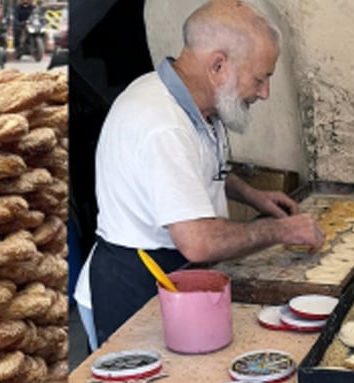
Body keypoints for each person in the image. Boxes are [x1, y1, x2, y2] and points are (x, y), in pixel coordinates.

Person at [74, 0, 324, 348]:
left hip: (173, 271)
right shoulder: (161, 125)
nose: (264, 93)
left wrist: (250, 195)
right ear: (218, 66)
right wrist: (282, 230)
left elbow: (194, 170)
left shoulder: (192, 102)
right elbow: (199, 241)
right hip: (135, 285)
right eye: (260, 78)